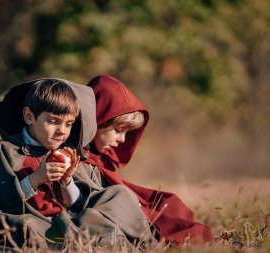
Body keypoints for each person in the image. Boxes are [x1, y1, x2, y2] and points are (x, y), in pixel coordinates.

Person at [0, 78, 153, 249]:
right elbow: (0, 201)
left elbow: (78, 204)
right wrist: (36, 179)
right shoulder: (9, 151)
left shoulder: (67, 150)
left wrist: (67, 181)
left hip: (71, 218)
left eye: (69, 124)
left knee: (120, 195)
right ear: (29, 116)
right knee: (32, 230)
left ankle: (146, 245)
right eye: (53, 121)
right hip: (37, 222)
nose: (61, 131)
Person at [84, 74, 214, 246]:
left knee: (169, 204)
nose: (122, 140)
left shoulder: (101, 159)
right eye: (117, 130)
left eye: (126, 133)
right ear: (97, 120)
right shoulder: (75, 157)